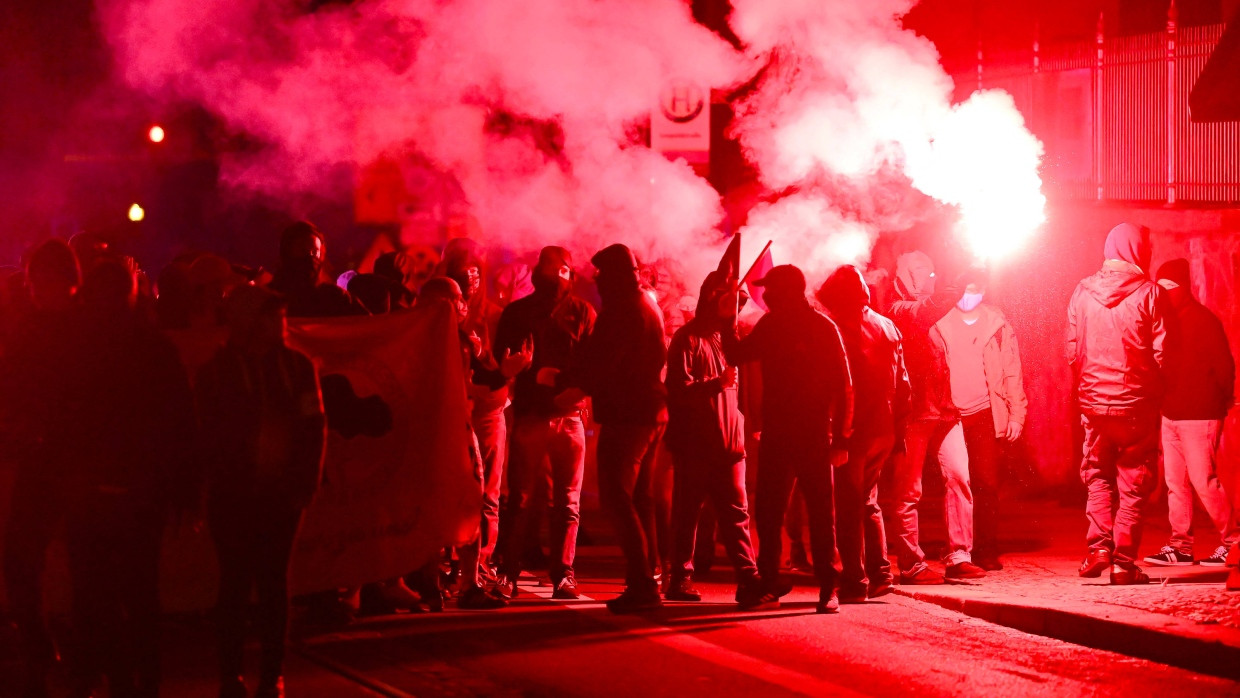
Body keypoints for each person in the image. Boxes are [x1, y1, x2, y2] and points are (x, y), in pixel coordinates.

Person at [65, 257, 196, 698]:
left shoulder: (79, 347)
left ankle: (106, 674)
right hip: (137, 491)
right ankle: (142, 679)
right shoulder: (153, 347)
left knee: (95, 591)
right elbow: (181, 423)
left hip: (95, 489)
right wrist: (184, 491)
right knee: (137, 591)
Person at [196, 284, 327, 698]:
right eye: (271, 317)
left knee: (273, 583)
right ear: (246, 322)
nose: (280, 325)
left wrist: (305, 481)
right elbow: (202, 437)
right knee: (233, 585)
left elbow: (314, 427)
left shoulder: (298, 366)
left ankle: (273, 676)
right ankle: (230, 676)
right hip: (232, 494)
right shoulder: (214, 372)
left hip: (280, 494)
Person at [722, 264, 853, 614]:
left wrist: (841, 438)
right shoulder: (772, 324)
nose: (765, 294)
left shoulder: (822, 327)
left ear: (789, 290)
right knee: (768, 513)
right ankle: (769, 583)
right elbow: (737, 355)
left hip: (812, 434)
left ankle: (829, 586)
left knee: (821, 514)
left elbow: (844, 385)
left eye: (771, 289)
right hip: (779, 433)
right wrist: (727, 317)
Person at [557, 244, 668, 613]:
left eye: (604, 276)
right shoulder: (647, 302)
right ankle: (650, 578)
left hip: (628, 413)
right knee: (641, 500)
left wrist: (573, 385)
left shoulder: (621, 310)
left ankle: (641, 583)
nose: (599, 283)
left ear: (618, 275)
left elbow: (603, 361)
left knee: (617, 497)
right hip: (651, 410)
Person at [0, 240, 85, 698]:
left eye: (38, 279)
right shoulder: (35, 328)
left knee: (75, 565)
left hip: (77, 466)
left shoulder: (84, 332)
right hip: (55, 463)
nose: (33, 288)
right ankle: (49, 650)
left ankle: (64, 654)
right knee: (24, 560)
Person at [1067, 222, 1170, 585]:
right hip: (1136, 406)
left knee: (1097, 476)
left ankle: (1097, 548)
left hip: (1094, 406)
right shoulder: (1151, 293)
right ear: (1138, 250)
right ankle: (1124, 563)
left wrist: (1088, 387)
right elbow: (1163, 353)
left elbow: (1072, 349)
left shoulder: (1082, 292)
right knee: (1134, 483)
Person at [493, 247, 596, 600]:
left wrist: (564, 380)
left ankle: (564, 574)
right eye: (550, 270)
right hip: (532, 415)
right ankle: (507, 572)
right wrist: (518, 369)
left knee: (567, 501)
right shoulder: (518, 312)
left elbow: (594, 362)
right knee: (520, 498)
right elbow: (499, 359)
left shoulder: (582, 311)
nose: (556, 277)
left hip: (569, 417)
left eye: (562, 270)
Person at [664, 271, 764, 607]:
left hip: (730, 446)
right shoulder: (687, 339)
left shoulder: (731, 341)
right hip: (696, 445)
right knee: (687, 514)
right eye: (727, 302)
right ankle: (679, 577)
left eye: (737, 303)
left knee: (737, 516)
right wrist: (715, 384)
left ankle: (748, 580)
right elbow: (677, 391)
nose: (734, 309)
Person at [818, 265, 910, 602]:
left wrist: (837, 434)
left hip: (853, 429)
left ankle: (855, 580)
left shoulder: (839, 329)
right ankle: (881, 573)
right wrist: (899, 430)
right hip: (883, 428)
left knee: (848, 505)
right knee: (868, 501)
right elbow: (903, 383)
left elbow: (839, 386)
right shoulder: (887, 326)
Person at [884, 251, 976, 583]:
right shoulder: (897, 310)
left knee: (959, 478)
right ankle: (910, 563)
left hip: (945, 411)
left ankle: (959, 554)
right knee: (909, 490)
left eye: (932, 269)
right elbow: (926, 311)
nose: (929, 276)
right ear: (903, 275)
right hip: (914, 414)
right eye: (921, 269)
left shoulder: (936, 311)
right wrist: (961, 280)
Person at [1144, 259, 1237, 567]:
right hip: (1171, 414)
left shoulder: (1203, 320)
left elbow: (1225, 367)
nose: (1166, 292)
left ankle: (1234, 543)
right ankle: (1180, 547)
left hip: (1200, 415)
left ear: (1184, 288)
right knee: (1176, 484)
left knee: (1203, 482)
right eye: (1162, 287)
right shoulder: (1162, 323)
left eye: (1171, 286)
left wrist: (1220, 402)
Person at [933, 277, 1027, 571]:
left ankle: (986, 549)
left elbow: (1012, 370)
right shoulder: (941, 320)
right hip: (951, 415)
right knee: (958, 480)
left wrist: (1016, 414)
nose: (967, 296)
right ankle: (959, 549)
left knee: (986, 482)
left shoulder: (996, 324)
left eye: (973, 290)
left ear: (983, 291)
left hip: (985, 411)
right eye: (963, 289)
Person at [268, 221, 368, 318]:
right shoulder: (267, 299)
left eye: (315, 252)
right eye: (303, 250)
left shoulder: (336, 298)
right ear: (287, 252)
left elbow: (368, 326)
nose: (310, 257)